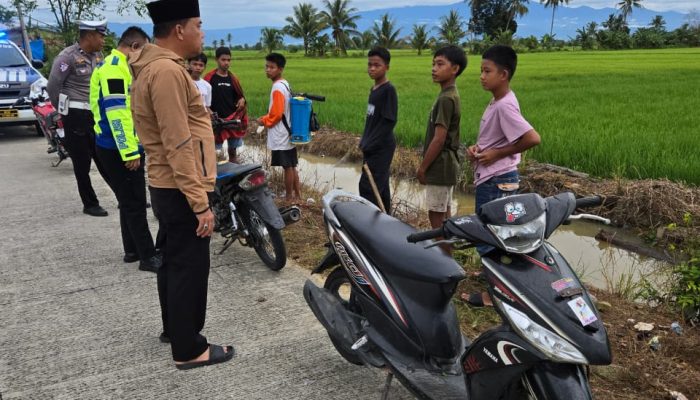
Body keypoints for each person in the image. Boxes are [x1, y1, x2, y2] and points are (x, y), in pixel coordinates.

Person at [129, 0, 234, 370]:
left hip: (167, 185)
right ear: (179, 30)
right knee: (189, 267)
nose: (202, 33)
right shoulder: (169, 73)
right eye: (198, 25)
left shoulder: (152, 67)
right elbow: (177, 142)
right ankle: (189, 349)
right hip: (180, 187)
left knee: (174, 263)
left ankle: (176, 331)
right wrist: (200, 203)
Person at [464, 45, 541, 307]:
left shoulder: (504, 106)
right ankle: (493, 277)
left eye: (487, 71)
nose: (482, 76)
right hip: (494, 176)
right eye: (481, 71)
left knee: (493, 235)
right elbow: (494, 138)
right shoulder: (498, 100)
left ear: (504, 74)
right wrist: (480, 149)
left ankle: (494, 294)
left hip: (497, 179)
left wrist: (497, 154)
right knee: (495, 232)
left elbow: (532, 138)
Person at [89, 26, 161, 273]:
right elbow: (117, 114)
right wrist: (129, 152)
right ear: (134, 48)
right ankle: (148, 257)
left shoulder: (111, 65)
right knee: (135, 203)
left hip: (111, 146)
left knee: (126, 201)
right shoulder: (114, 70)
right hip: (118, 148)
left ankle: (132, 250)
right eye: (143, 52)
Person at [47, 20, 110, 217]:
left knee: (104, 156)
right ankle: (90, 203)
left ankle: (124, 197)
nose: (103, 39)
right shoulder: (67, 57)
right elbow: (53, 85)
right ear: (89, 35)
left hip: (96, 113)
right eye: (101, 35)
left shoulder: (99, 56)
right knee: (82, 161)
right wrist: (63, 111)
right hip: (75, 114)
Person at [417, 45, 467, 254]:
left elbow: (439, 139)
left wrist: (423, 167)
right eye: (433, 64)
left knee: (436, 217)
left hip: (440, 165)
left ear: (454, 69)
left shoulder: (446, 98)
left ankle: (443, 261)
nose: (434, 69)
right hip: (448, 163)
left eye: (440, 64)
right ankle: (449, 256)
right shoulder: (449, 94)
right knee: (445, 215)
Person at [257, 53, 301, 203]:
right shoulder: (284, 83)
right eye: (267, 66)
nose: (268, 70)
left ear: (280, 69)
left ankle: (289, 197)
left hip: (281, 133)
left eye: (272, 67)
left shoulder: (277, 87)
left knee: (287, 166)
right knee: (292, 165)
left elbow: (276, 114)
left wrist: (263, 120)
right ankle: (298, 196)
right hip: (288, 131)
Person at [358, 47, 398, 214]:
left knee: (368, 187)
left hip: (381, 147)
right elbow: (372, 121)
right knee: (380, 187)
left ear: (386, 67)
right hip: (371, 145)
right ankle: (385, 218)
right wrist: (363, 140)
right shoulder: (374, 90)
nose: (372, 68)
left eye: (377, 65)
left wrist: (370, 143)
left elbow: (389, 122)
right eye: (369, 65)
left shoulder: (388, 90)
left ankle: (372, 223)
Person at [204, 47, 247, 163]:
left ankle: (234, 176)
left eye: (228, 60)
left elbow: (239, 95)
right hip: (216, 122)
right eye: (223, 60)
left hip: (232, 120)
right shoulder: (209, 78)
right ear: (216, 60)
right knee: (211, 154)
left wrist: (242, 99)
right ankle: (212, 178)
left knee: (233, 152)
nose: (226, 63)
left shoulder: (233, 79)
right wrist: (209, 113)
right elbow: (201, 100)